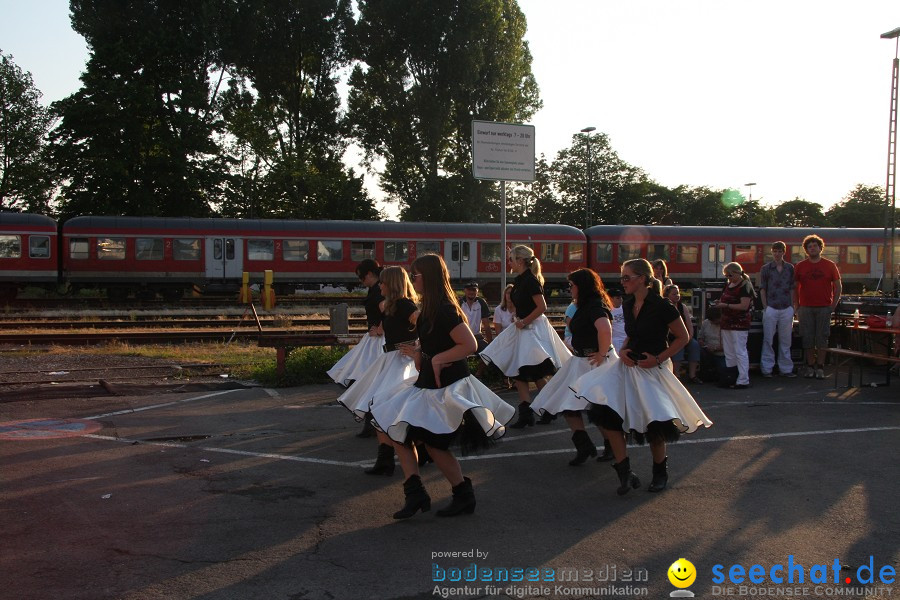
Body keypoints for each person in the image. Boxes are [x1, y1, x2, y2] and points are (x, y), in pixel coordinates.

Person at [369, 254, 514, 519]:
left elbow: (469, 345)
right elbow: (436, 342)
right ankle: (416, 493)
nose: (413, 279)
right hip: (429, 385)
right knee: (398, 432)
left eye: (416, 275)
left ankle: (462, 494)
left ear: (429, 277)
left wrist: (436, 358)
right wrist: (420, 353)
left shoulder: (445, 309)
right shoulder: (429, 308)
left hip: (447, 388)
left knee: (434, 444)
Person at [571, 258, 712, 495]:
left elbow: (683, 337)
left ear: (642, 279)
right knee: (608, 415)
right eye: (622, 277)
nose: (622, 282)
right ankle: (625, 471)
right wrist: (624, 350)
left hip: (652, 369)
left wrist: (657, 359)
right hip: (628, 365)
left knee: (655, 423)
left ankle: (660, 472)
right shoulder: (627, 304)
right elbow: (630, 334)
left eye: (627, 277)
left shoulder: (663, 306)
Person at [337, 266, 419, 476]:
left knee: (392, 410)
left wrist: (416, 348)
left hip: (401, 363)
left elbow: (425, 326)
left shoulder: (405, 305)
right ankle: (385, 460)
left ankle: (412, 455)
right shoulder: (391, 305)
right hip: (389, 360)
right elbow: (389, 328)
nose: (379, 285)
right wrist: (381, 330)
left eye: (383, 282)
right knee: (377, 409)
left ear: (391, 284)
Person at [530, 269, 616, 465]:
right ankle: (584, 445)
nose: (569, 289)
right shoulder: (582, 305)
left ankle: (611, 445)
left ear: (582, 286)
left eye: (571, 285)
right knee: (568, 404)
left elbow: (605, 329)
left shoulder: (595, 305)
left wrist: (602, 354)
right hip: (581, 361)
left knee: (598, 408)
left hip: (593, 362)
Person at [480, 245, 572, 428]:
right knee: (520, 372)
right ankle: (527, 415)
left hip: (532, 331)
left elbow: (542, 306)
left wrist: (524, 321)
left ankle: (547, 409)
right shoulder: (521, 279)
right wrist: (518, 317)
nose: (509, 262)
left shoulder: (530, 280)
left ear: (520, 261)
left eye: (512, 259)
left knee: (534, 371)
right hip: (524, 328)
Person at [326, 259, 385, 437]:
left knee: (366, 379)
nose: (361, 281)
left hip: (378, 341)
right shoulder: (377, 288)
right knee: (365, 380)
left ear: (368, 274)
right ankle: (371, 422)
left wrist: (381, 328)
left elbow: (389, 311)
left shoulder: (379, 290)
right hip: (374, 340)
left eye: (361, 277)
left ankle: (372, 422)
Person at [793, 234, 842, 380]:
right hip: (806, 308)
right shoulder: (800, 266)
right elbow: (795, 288)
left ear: (821, 248)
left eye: (815, 246)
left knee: (822, 338)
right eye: (809, 246)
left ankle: (820, 367)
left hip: (824, 307)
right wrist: (797, 306)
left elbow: (838, 287)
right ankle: (810, 366)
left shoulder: (830, 265)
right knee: (807, 338)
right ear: (806, 250)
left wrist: (833, 306)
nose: (812, 248)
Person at [713, 262, 754, 389]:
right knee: (729, 352)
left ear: (737, 273)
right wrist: (720, 303)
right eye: (726, 276)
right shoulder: (728, 285)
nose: (728, 278)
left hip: (739, 323)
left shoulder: (745, 286)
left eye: (730, 275)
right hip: (727, 322)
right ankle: (731, 377)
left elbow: (744, 306)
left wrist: (725, 305)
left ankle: (743, 379)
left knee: (740, 351)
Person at [758, 241, 796, 378]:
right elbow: (762, 288)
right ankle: (767, 368)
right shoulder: (766, 268)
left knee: (786, 340)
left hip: (786, 307)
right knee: (768, 339)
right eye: (775, 251)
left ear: (784, 252)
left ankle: (786, 369)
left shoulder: (790, 268)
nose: (777, 254)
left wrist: (793, 307)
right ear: (772, 252)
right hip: (771, 307)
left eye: (780, 251)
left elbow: (792, 288)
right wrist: (765, 307)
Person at [664, 284, 702, 384]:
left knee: (694, 345)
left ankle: (692, 375)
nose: (677, 296)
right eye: (674, 294)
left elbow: (689, 324)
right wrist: (681, 337)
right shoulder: (665, 307)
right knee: (678, 347)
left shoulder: (682, 307)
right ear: (667, 295)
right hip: (671, 337)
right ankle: (676, 375)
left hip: (684, 336)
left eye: (678, 293)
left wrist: (688, 337)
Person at [461, 281, 493, 352]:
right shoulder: (459, 303)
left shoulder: (481, 303)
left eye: (474, 290)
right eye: (469, 290)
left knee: (487, 355)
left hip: (477, 337)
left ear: (477, 291)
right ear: (465, 291)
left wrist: (490, 344)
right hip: (462, 338)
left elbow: (486, 325)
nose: (471, 292)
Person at [697, 307, 727, 383]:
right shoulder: (706, 323)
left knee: (723, 369)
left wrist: (716, 348)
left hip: (723, 353)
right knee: (700, 352)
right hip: (708, 351)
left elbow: (731, 344)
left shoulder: (727, 325)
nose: (713, 322)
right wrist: (704, 344)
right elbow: (700, 337)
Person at [607, 284, 627, 354]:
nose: (621, 299)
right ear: (610, 298)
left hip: (627, 340)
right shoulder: (607, 311)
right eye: (618, 298)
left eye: (621, 297)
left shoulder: (625, 308)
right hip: (615, 341)